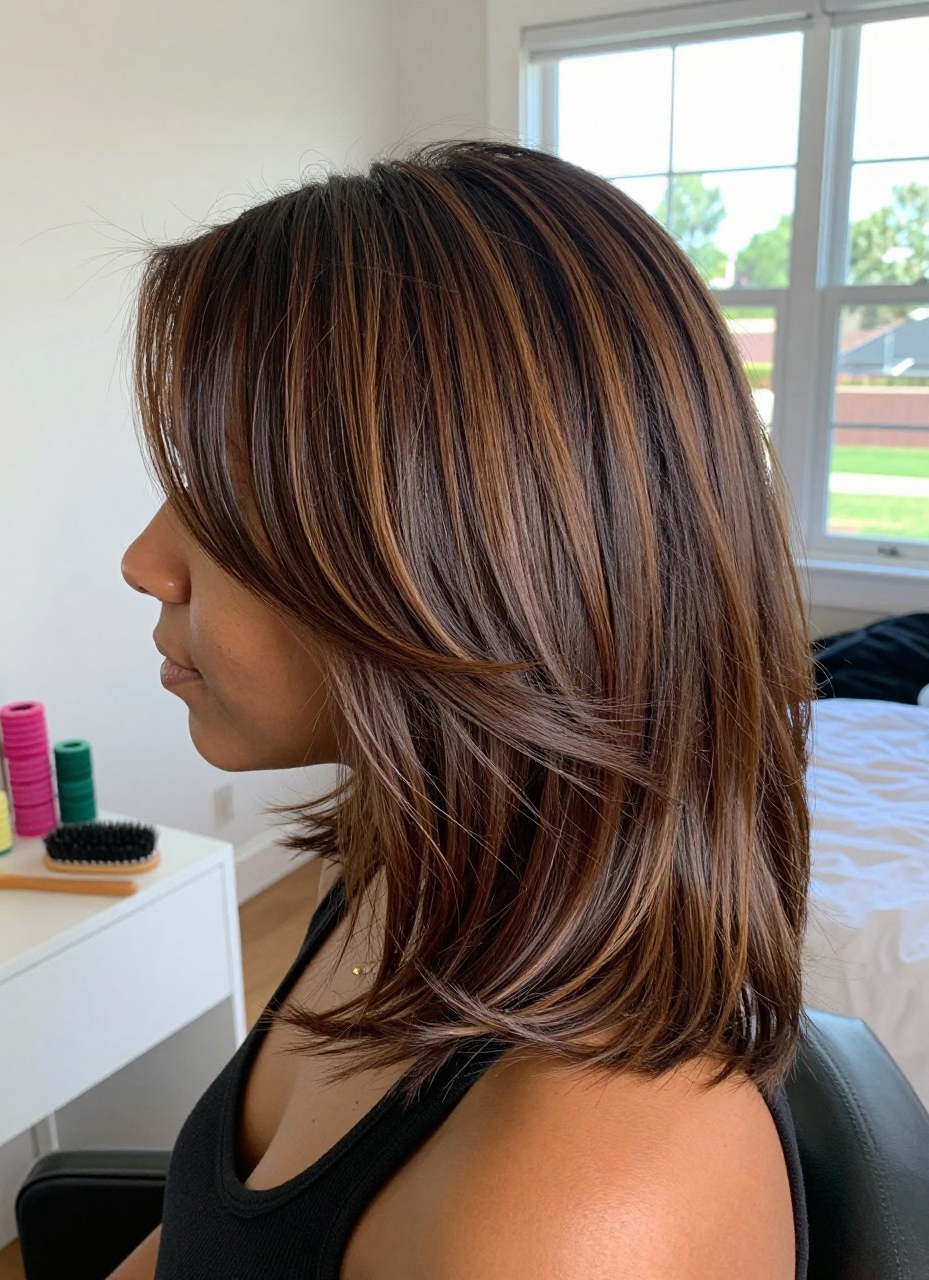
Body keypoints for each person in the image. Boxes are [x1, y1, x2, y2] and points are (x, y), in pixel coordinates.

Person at [116, 139, 812, 1279]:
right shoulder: (416, 866)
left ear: (470, 560)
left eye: (226, 498)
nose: (148, 560)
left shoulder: (571, 1218)